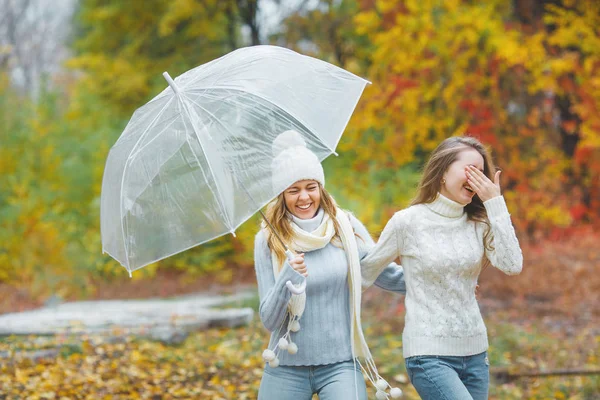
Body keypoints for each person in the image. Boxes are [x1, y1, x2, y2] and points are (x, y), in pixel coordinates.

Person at [360, 136, 523, 400]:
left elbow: (513, 264)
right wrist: (344, 237)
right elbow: (367, 272)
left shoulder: (479, 223)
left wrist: (495, 204)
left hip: (475, 354)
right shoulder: (407, 223)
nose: (476, 179)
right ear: (443, 172)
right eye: (470, 169)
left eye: (481, 173)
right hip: (428, 355)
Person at [254, 130, 405, 400]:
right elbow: (269, 319)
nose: (304, 197)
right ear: (282, 195)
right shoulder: (268, 239)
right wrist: (287, 279)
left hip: (341, 363)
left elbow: (383, 272)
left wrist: (441, 281)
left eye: (311, 187)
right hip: (285, 364)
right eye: (293, 190)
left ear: (321, 189)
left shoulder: (344, 227)